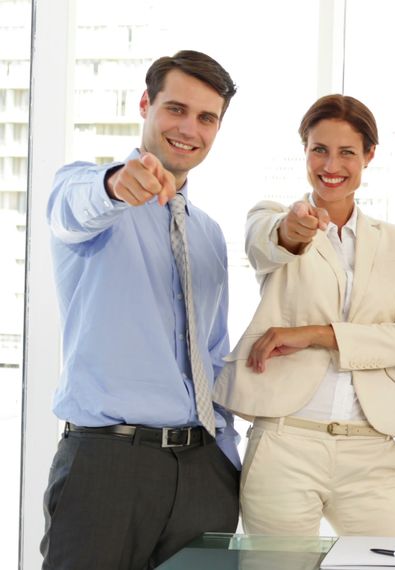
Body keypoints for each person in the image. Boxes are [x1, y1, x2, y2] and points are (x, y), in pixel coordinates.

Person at [43, 50, 239, 568]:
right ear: (146, 104)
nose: (188, 128)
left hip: (203, 475)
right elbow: (76, 204)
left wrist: (225, 457)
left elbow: (213, 355)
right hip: (109, 465)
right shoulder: (90, 188)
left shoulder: (210, 235)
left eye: (206, 118)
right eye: (175, 109)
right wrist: (115, 185)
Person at [213, 94, 395, 536]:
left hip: (370, 447)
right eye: (319, 150)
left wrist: (316, 334)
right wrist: (293, 230)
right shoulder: (272, 217)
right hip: (285, 442)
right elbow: (270, 242)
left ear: (369, 155)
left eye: (347, 152)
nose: (331, 164)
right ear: (305, 152)